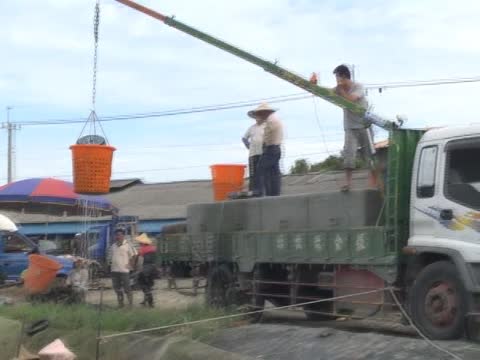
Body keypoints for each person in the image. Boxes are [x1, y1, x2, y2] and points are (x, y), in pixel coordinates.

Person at [332, 64, 376, 191]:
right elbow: (328, 92)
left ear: (344, 77)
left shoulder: (358, 87)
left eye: (337, 78)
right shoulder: (338, 89)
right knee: (349, 154)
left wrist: (341, 92)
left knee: (370, 155)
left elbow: (351, 100)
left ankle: (373, 183)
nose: (337, 81)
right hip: (350, 127)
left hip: (364, 125)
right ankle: (348, 183)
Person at [249, 103, 284, 197]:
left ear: (264, 112)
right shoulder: (274, 119)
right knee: (274, 172)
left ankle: (259, 191)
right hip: (276, 148)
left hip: (271, 148)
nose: (259, 116)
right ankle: (274, 193)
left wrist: (264, 147)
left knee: (260, 169)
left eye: (260, 113)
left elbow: (267, 138)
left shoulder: (270, 121)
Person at [110, 228, 136, 308]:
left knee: (127, 288)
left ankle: (130, 305)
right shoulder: (113, 246)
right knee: (117, 289)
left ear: (123, 236)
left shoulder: (128, 245)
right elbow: (111, 257)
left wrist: (131, 265)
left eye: (119, 235)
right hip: (114, 270)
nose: (118, 236)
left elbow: (134, 255)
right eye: (116, 235)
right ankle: (120, 304)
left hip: (124, 271)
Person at [242, 112, 266, 192]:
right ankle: (253, 191)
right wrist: (248, 146)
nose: (258, 118)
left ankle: (261, 191)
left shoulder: (266, 126)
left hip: (263, 153)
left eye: (259, 116)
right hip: (252, 154)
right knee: (253, 174)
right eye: (256, 116)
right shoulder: (251, 128)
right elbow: (244, 138)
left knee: (262, 173)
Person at [135, 233, 157, 307]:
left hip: (145, 268)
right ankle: (146, 300)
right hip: (153, 269)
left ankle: (150, 301)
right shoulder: (153, 248)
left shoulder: (142, 250)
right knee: (149, 285)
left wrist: (139, 270)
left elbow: (140, 261)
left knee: (143, 284)